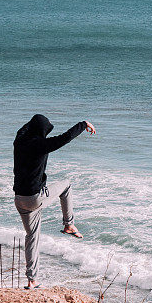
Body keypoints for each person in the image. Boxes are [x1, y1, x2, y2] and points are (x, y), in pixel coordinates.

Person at [13, 114, 96, 289]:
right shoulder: (41, 145)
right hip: (35, 198)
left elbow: (25, 128)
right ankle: (69, 224)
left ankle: (32, 280)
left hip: (19, 199)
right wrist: (83, 124)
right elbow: (64, 138)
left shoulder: (19, 141)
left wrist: (33, 124)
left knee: (32, 237)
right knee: (66, 185)